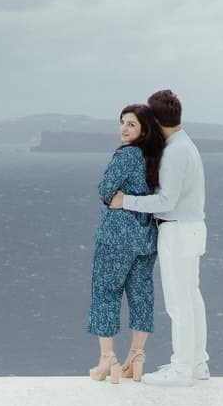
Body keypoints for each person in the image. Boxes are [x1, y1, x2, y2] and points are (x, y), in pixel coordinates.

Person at [109, 89, 207, 385]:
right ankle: (197, 364)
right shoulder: (185, 145)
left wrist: (125, 200)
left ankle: (181, 369)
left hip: (177, 230)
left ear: (155, 120)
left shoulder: (175, 152)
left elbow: (166, 201)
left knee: (179, 304)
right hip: (191, 229)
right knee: (191, 299)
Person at [86, 103, 163, 383]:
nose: (124, 128)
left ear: (144, 128)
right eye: (122, 123)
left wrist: (117, 199)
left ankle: (108, 360)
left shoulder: (127, 155)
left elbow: (105, 191)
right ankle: (137, 357)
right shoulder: (154, 156)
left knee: (106, 293)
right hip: (145, 235)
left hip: (116, 235)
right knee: (142, 293)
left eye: (131, 124)